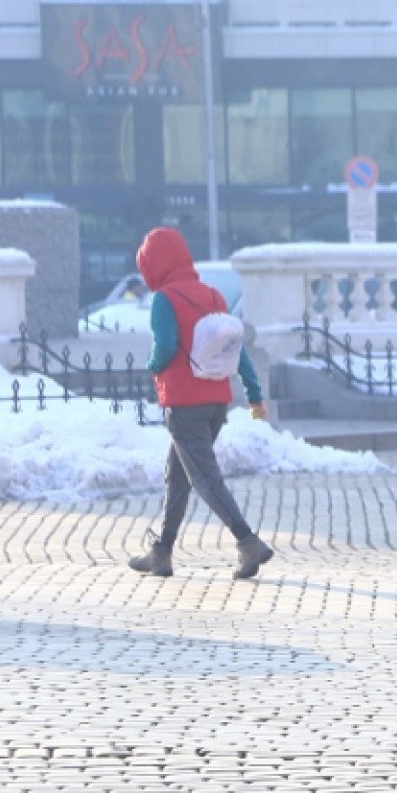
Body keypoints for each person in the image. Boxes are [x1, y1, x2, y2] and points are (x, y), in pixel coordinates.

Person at [127, 227, 275, 581]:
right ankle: (161, 552)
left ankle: (248, 541)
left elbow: (163, 347)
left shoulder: (165, 299)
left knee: (205, 478)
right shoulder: (213, 296)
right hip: (215, 403)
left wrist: (152, 367)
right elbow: (237, 352)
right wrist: (254, 395)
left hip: (183, 403)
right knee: (178, 475)